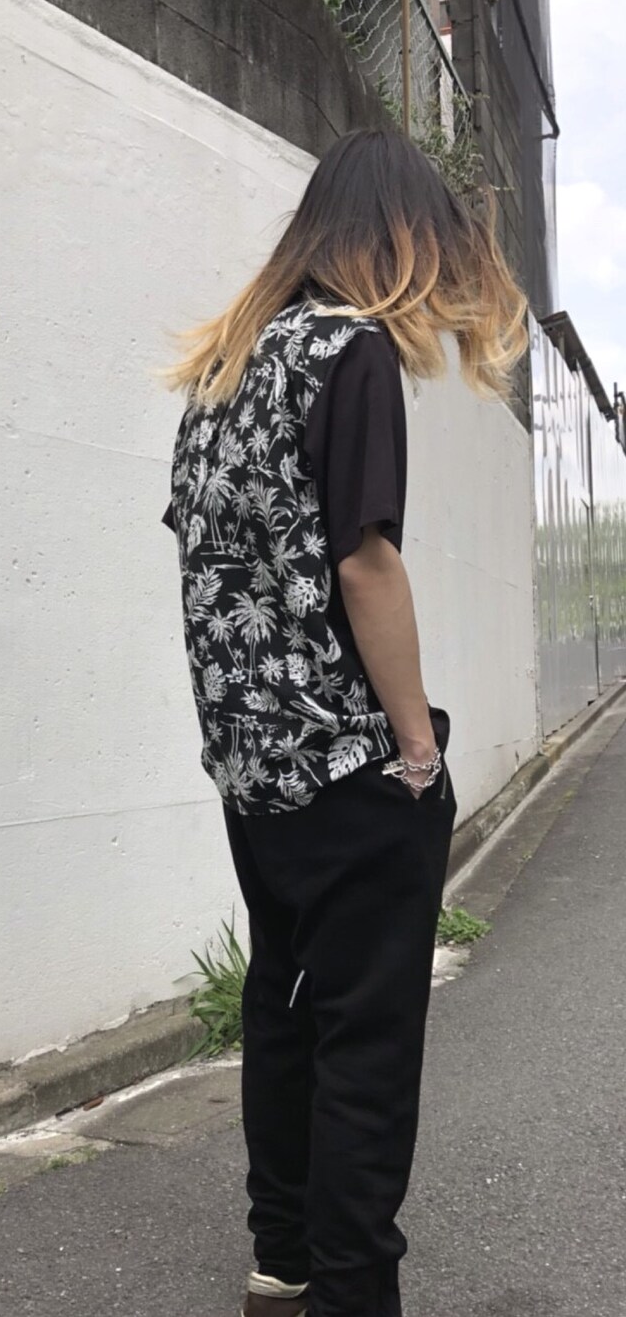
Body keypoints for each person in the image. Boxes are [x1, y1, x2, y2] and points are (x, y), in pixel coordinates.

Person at [162, 129, 527, 1317]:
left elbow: (215, 560)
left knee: (284, 1006)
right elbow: (363, 561)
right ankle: (355, 1292)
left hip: (252, 768)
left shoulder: (227, 362)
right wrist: (416, 746)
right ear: (402, 240)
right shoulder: (349, 351)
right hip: (345, 763)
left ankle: (283, 1263)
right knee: (366, 1044)